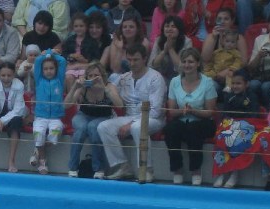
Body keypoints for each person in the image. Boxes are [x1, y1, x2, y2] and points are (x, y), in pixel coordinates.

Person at [97, 43, 166, 180]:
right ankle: (123, 166)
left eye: (136, 60)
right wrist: (105, 86)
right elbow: (108, 88)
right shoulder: (124, 77)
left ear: (144, 59)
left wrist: (131, 124)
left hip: (153, 119)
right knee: (103, 126)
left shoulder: (155, 78)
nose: (132, 63)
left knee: (137, 127)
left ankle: (146, 170)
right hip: (130, 116)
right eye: (129, 60)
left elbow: (155, 111)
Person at [163, 47, 217, 184]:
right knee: (170, 129)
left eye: (191, 62)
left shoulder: (208, 82)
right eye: (184, 61)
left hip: (203, 120)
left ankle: (196, 170)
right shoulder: (174, 82)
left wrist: (194, 111)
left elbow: (210, 112)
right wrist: (183, 111)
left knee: (193, 129)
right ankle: (177, 169)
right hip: (182, 118)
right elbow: (171, 111)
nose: (187, 65)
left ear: (198, 63)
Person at [64, 61, 123, 178]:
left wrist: (104, 88)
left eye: (96, 75)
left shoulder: (109, 86)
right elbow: (66, 105)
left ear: (102, 76)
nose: (93, 78)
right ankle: (73, 168)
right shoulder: (84, 88)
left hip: (103, 116)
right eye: (90, 75)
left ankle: (98, 168)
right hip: (83, 115)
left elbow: (120, 105)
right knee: (80, 129)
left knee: (93, 127)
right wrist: (75, 86)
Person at [212, 69, 261, 187]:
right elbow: (225, 114)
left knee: (236, 139)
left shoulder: (252, 97)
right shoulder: (229, 96)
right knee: (221, 137)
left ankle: (234, 172)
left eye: (238, 83)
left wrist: (239, 125)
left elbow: (254, 116)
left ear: (246, 84)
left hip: (246, 126)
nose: (235, 86)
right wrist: (229, 124)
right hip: (230, 124)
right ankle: (221, 172)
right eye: (233, 83)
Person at [30, 49, 66, 174]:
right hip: (40, 116)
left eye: (51, 68)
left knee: (54, 134)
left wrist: (53, 53)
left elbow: (62, 61)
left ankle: (37, 150)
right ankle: (42, 161)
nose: (48, 71)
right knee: (38, 133)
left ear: (56, 69)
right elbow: (37, 61)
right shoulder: (39, 80)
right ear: (42, 70)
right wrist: (45, 54)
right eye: (45, 69)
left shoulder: (59, 80)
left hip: (55, 117)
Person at [61, 12, 102, 90]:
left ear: (86, 27)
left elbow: (96, 57)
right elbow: (64, 53)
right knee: (69, 77)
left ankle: (80, 96)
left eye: (81, 26)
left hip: (85, 66)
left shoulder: (92, 41)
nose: (78, 28)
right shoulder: (69, 40)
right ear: (73, 27)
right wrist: (71, 56)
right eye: (76, 26)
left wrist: (85, 60)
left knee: (81, 79)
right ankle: (71, 96)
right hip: (72, 66)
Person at [246, 10, 270, 106]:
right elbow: (250, 68)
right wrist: (259, 56)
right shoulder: (259, 39)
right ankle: (254, 109)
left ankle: (269, 111)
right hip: (260, 75)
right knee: (253, 84)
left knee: (266, 87)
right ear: (268, 25)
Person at [148, 15, 190, 81]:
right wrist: (164, 51)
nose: (169, 29)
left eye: (173, 26)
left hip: (181, 78)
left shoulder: (187, 42)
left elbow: (184, 68)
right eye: (167, 26)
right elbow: (151, 65)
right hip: (161, 78)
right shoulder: (158, 40)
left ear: (179, 29)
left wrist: (170, 49)